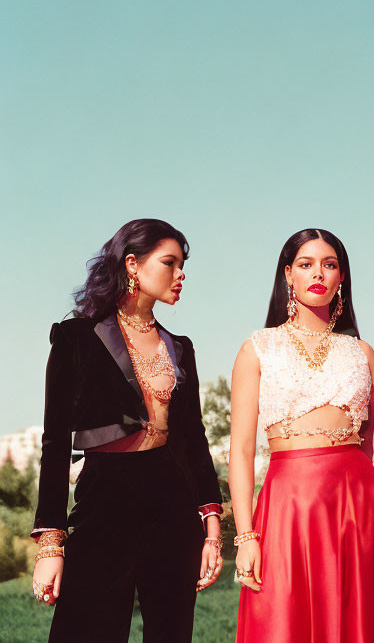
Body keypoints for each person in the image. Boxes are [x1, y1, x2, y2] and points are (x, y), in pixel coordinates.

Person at [31, 219, 224, 643]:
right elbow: (55, 442)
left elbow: (193, 439)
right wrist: (50, 545)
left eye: (182, 265)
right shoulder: (76, 338)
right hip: (105, 499)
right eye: (170, 263)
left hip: (173, 504)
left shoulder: (181, 347)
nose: (180, 274)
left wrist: (212, 527)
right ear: (133, 264)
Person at [230, 228, 374, 643]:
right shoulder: (258, 348)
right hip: (289, 507)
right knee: (281, 625)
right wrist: (246, 536)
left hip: (358, 508)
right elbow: (240, 452)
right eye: (306, 265)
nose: (318, 274)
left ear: (341, 277)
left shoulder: (362, 353)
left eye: (329, 265)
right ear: (288, 274)